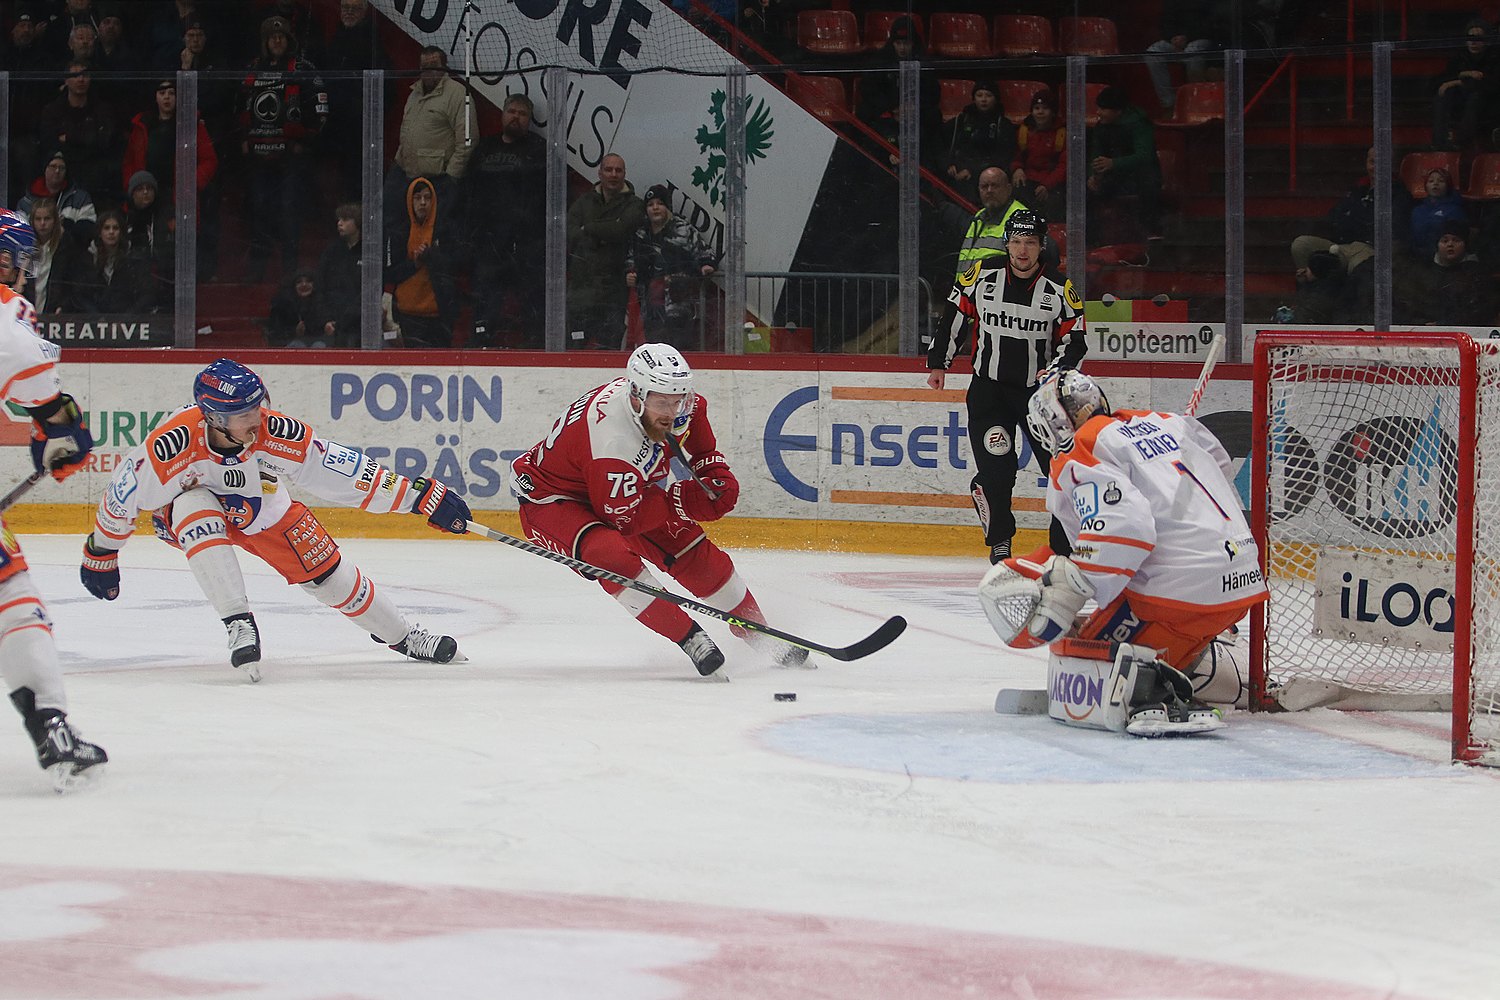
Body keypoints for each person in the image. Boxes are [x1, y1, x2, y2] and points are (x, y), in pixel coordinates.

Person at [80, 358, 471, 680]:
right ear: (215, 419)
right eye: (244, 413)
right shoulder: (171, 445)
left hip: (263, 511)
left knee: (329, 578)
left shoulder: (277, 432)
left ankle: (402, 636)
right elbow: (123, 495)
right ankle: (238, 621)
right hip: (186, 516)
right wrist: (102, 550)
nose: (257, 418)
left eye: (257, 406)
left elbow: (345, 472)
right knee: (193, 504)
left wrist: (417, 497)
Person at [978, 368, 1268, 737]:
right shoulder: (1168, 421)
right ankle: (1198, 664)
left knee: (1080, 655)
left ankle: (1155, 689)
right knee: (1134, 624)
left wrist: (1074, 588)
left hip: (1177, 594)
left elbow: (1124, 526)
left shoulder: (1082, 448)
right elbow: (1220, 465)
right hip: (1243, 581)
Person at [510, 344, 807, 676]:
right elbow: (623, 520)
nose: (671, 411)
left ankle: (757, 629)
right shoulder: (614, 443)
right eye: (661, 402)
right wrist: (681, 500)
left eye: (676, 399)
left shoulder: (675, 406)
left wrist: (712, 471)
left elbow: (697, 423)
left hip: (617, 486)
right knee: (608, 555)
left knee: (688, 545)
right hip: (552, 499)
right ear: (636, 396)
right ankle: (690, 637)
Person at [0, 210, 107, 790]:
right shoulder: (11, 325)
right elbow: (56, 423)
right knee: (13, 597)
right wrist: (65, 439)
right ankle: (52, 726)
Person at [926, 210, 1085, 564]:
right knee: (998, 472)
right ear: (1007, 244)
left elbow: (1075, 341)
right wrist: (940, 361)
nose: (1022, 250)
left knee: (1060, 472)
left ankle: (1062, 551)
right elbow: (955, 314)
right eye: (1015, 242)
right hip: (989, 394)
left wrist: (1054, 372)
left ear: (1041, 246)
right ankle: (1000, 544)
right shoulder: (981, 275)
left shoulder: (1060, 289)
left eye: (1030, 243)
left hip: (1039, 398)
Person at [238, 15, 327, 282]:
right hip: (259, 159)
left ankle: (290, 273)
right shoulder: (252, 69)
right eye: (272, 37)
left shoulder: (303, 68)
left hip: (291, 160)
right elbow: (240, 108)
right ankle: (256, 273)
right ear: (265, 41)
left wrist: (303, 142)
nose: (277, 40)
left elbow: (320, 112)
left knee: (290, 215)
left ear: (289, 40)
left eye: (282, 36)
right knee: (260, 212)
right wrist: (244, 138)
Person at [463, 93, 547, 349]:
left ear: (529, 120)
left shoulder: (538, 150)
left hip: (525, 242)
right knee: (487, 298)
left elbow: (546, 196)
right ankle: (481, 341)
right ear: (502, 114)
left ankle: (535, 347)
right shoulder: (485, 148)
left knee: (531, 299)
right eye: (512, 111)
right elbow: (468, 191)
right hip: (489, 241)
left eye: (522, 114)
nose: (516, 117)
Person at [385, 45, 475, 226]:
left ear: (445, 67)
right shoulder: (414, 94)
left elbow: (467, 140)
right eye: (424, 67)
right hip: (404, 174)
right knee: (392, 221)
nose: (429, 72)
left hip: (437, 180)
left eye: (434, 66)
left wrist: (451, 177)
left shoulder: (458, 94)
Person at [566, 153, 645, 350]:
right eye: (609, 169)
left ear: (625, 174)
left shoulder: (634, 204)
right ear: (599, 172)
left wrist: (589, 228)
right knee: (575, 349)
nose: (613, 174)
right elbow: (569, 233)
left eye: (618, 170)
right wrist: (607, 230)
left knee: (608, 350)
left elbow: (621, 229)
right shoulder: (583, 202)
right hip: (581, 292)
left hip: (613, 293)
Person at [625, 184, 718, 349]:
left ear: (667, 206)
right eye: (650, 204)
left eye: (660, 203)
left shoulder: (684, 229)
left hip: (679, 306)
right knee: (654, 351)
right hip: (650, 308)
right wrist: (630, 274)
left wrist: (706, 266)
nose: (655, 208)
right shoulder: (640, 234)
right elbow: (630, 261)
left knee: (679, 351)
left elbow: (707, 254)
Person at [384, 176, 456, 348]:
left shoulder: (444, 230)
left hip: (438, 313)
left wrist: (432, 256)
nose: (422, 202)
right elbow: (390, 273)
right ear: (410, 200)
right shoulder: (398, 232)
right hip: (407, 314)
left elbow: (454, 264)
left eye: (427, 197)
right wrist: (414, 264)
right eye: (417, 198)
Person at [36, 61, 119, 210]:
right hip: (66, 164)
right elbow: (49, 143)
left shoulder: (102, 109)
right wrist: (86, 138)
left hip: (94, 167)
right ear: (66, 80)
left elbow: (104, 141)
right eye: (75, 75)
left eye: (85, 75)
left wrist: (70, 138)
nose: (81, 79)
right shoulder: (52, 110)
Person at [122, 78, 218, 207]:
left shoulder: (191, 125)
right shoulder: (142, 125)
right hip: (145, 196)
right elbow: (129, 161)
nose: (167, 97)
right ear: (155, 97)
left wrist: (191, 184)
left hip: (177, 198)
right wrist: (133, 187)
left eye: (171, 93)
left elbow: (209, 160)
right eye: (162, 93)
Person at [1086, 86, 1163, 243]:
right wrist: (1093, 176)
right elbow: (1096, 155)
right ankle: (1090, 240)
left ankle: (1152, 234)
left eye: (1103, 109)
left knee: (1148, 182)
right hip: (1114, 177)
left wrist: (1114, 163)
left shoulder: (1139, 124)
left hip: (1139, 177)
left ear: (1118, 111)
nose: (1098, 112)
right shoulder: (1101, 127)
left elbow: (1144, 156)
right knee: (1085, 190)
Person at [941, 81, 1016, 204]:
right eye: (979, 95)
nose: (984, 99)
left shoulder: (1003, 124)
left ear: (996, 98)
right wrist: (948, 164)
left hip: (984, 174)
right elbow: (942, 145)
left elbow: (1003, 156)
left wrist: (972, 170)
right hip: (957, 172)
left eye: (988, 95)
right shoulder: (961, 120)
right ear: (973, 98)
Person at [1408, 219, 1494, 325]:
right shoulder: (1425, 271)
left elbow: (1481, 310)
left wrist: (1443, 324)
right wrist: (1422, 324)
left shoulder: (1476, 273)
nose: (1450, 244)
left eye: (1456, 240)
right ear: (1437, 245)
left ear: (1465, 244)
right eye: (1444, 240)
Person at [1433, 18, 1500, 150]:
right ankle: (1439, 143)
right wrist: (1467, 74)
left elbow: (1490, 84)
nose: (1473, 42)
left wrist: (1457, 81)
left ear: (1486, 41)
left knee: (1476, 97)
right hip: (1462, 104)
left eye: (1479, 38)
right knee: (1444, 96)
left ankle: (1461, 141)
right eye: (1470, 38)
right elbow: (1442, 81)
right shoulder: (1460, 56)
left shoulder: (1495, 57)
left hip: (1489, 106)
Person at [950, 165, 1027, 280]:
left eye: (995, 186)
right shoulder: (979, 218)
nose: (989, 191)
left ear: (1009, 189)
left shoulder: (1022, 219)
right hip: (968, 294)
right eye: (984, 187)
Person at [75, 209, 154, 313]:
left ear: (121, 232)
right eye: (106, 228)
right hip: (94, 322)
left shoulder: (134, 259)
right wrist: (96, 317)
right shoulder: (87, 259)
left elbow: (145, 294)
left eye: (115, 228)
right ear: (99, 232)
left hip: (128, 321)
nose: (111, 232)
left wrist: (126, 318)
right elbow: (80, 295)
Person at [16, 150, 97, 246]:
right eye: (53, 166)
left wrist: (66, 227)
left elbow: (89, 229)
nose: (57, 171)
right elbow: (20, 233)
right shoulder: (25, 203)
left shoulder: (80, 198)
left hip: (69, 253)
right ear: (45, 169)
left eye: (61, 168)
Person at [24, 198, 87, 314]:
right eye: (38, 219)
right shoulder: (25, 247)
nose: (42, 223)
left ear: (55, 221)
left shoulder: (67, 247)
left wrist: (64, 306)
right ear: (32, 221)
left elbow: (74, 284)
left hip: (56, 315)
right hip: (27, 314)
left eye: (47, 218)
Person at [1011, 89, 1066, 222]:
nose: (1040, 112)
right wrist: (1017, 169)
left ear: (1053, 112)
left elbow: (1064, 165)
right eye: (1036, 108)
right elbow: (1016, 156)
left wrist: (1047, 185)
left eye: (1045, 108)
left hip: (1052, 183)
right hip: (1028, 179)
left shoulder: (1062, 134)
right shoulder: (1024, 131)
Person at [122, 170, 174, 308]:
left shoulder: (165, 217)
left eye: (149, 188)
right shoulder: (123, 219)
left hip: (157, 277)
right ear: (132, 194)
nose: (145, 192)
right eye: (140, 189)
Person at [314, 202, 363, 349]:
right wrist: (326, 319)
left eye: (346, 219)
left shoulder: (369, 251)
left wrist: (351, 316)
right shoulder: (331, 252)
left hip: (359, 326)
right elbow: (320, 286)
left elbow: (370, 291)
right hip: (333, 325)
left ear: (358, 222)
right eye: (339, 219)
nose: (339, 223)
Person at [1409, 167, 1466, 257]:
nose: (1435, 184)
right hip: (1416, 256)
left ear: (1448, 185)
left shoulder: (1455, 210)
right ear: (1426, 186)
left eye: (1441, 181)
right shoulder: (1417, 210)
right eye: (1431, 181)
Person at [265, 269, 327, 347]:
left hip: (318, 346)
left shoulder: (323, 304)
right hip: (289, 348)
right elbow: (275, 333)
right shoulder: (282, 306)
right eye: (299, 282)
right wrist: (294, 332)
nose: (304, 284)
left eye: (308, 281)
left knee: (319, 345)